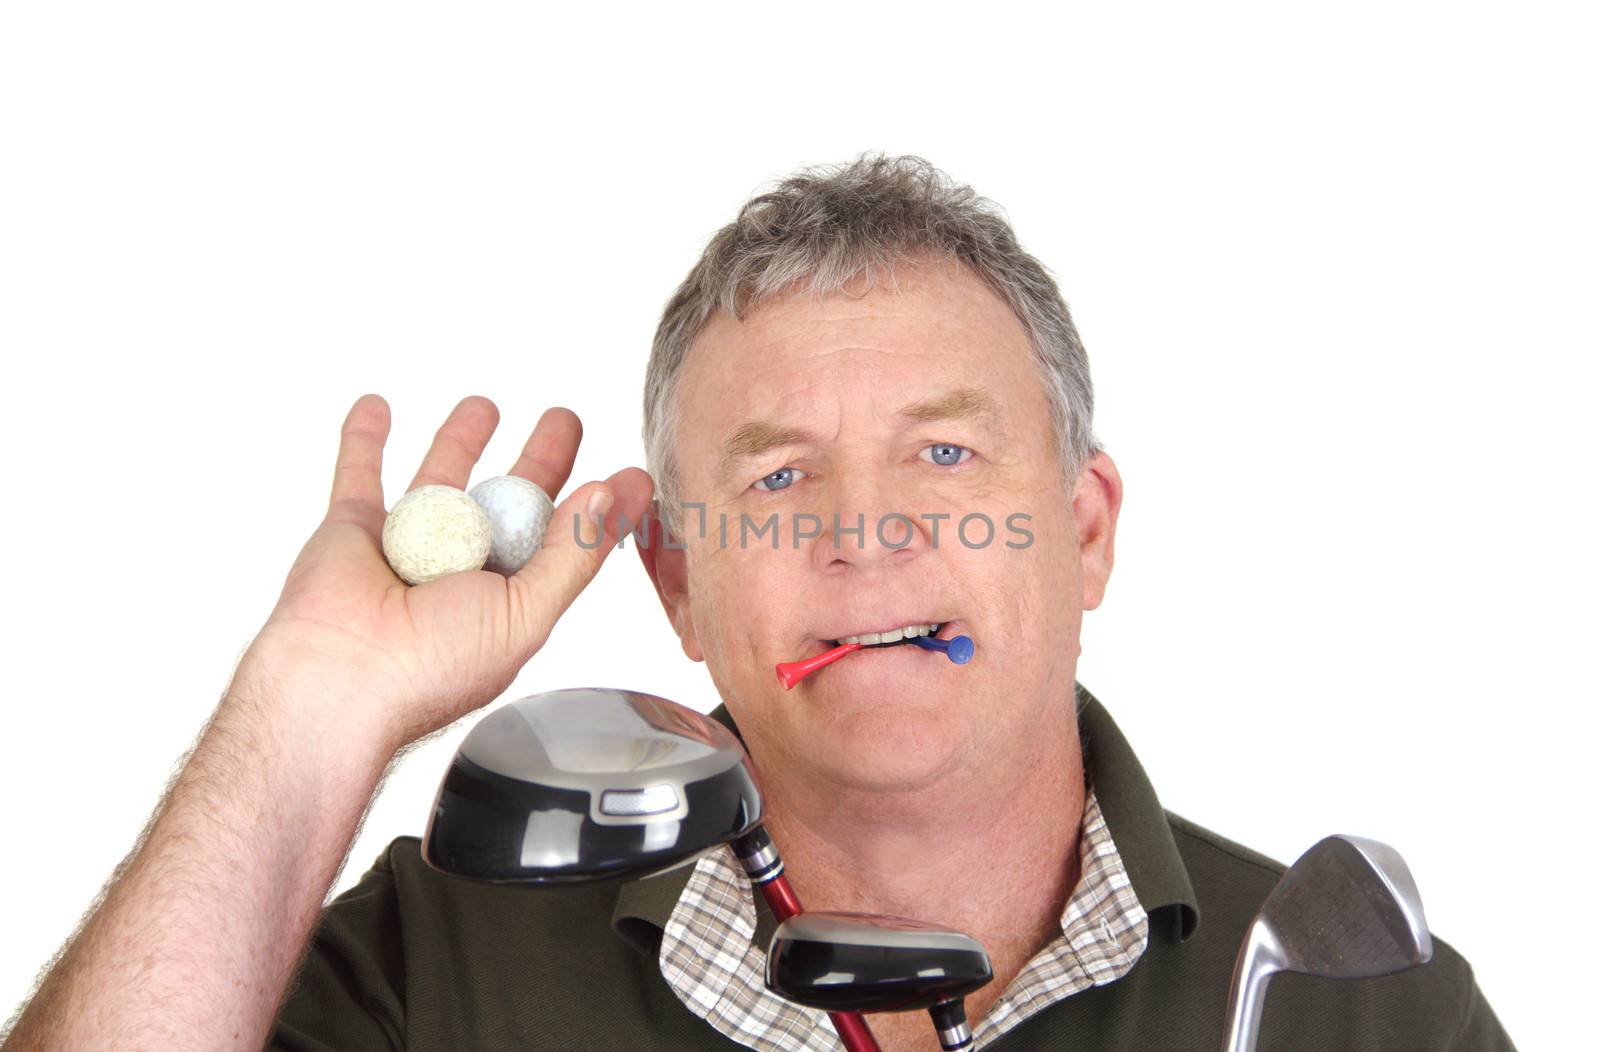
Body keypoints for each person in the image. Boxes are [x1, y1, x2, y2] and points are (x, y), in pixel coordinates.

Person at [1, 155, 1512, 1051]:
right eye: (779, 481)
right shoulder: (439, 965)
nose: (865, 532)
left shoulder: (1361, 1006)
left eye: (943, 451)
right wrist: (308, 710)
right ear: (677, 585)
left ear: (1087, 533)